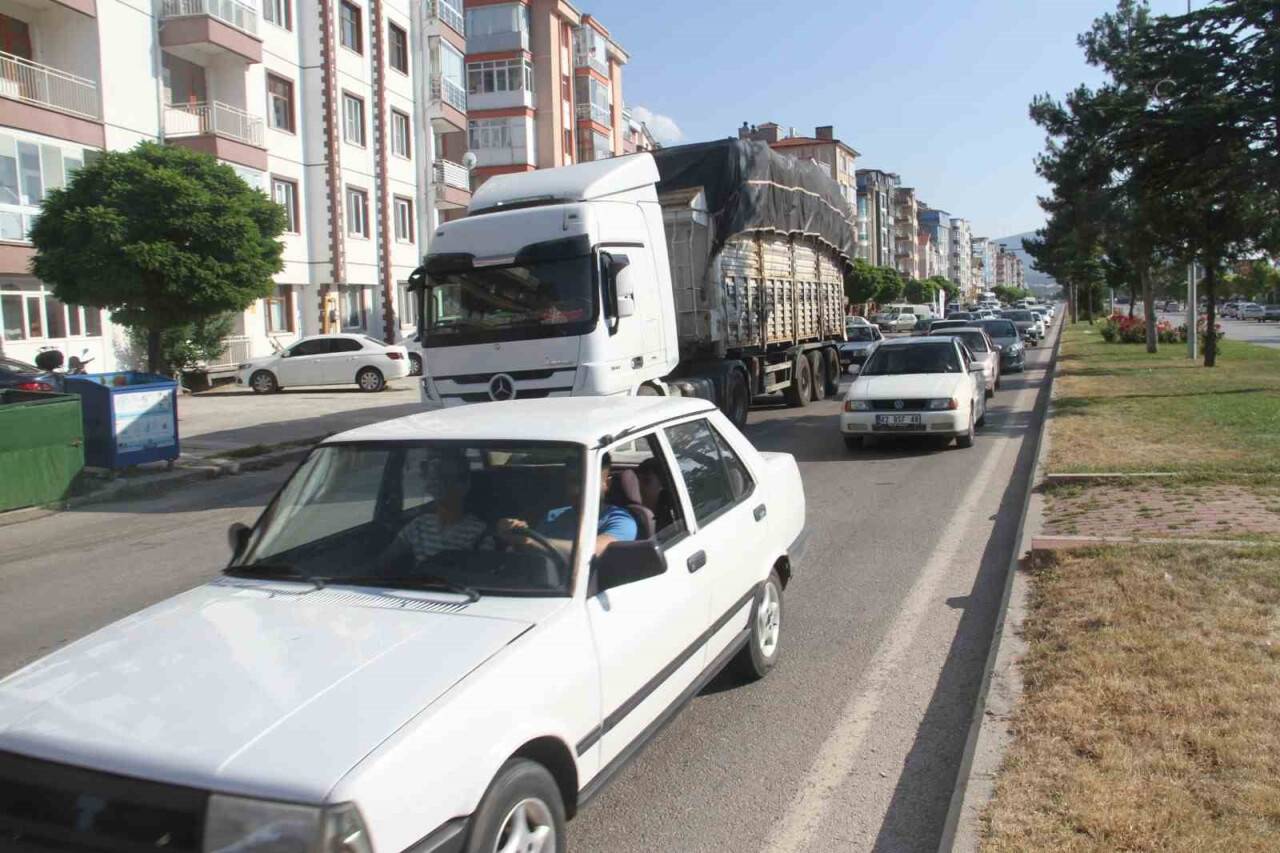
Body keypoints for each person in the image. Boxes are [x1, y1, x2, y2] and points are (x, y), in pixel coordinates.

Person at [499, 454, 636, 556]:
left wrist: (531, 541)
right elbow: (533, 555)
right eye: (572, 481)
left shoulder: (621, 519)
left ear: (606, 483)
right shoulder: (553, 516)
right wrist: (515, 534)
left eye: (585, 481)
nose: (577, 489)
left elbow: (596, 550)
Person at [394, 453, 488, 561]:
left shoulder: (479, 533)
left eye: (446, 477)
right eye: (435, 478)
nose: (438, 483)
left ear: (465, 484)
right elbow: (380, 566)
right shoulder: (418, 525)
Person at [635, 457, 677, 534]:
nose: (639, 486)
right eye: (637, 480)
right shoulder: (632, 514)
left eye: (646, 481)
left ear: (663, 485)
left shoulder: (674, 514)